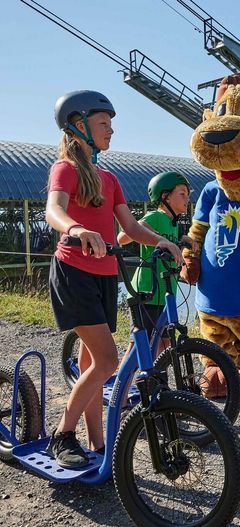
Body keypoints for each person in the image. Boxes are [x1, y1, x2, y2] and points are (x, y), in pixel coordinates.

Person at [45, 90, 184, 468]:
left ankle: (95, 442)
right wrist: (76, 229)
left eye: (111, 123)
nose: (111, 129)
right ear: (79, 126)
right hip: (74, 272)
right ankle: (62, 435)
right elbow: (53, 211)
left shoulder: (109, 177)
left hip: (107, 276)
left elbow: (130, 226)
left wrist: (162, 242)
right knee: (106, 363)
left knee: (93, 362)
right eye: (104, 123)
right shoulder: (66, 169)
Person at [117, 171, 194, 355]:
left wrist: (182, 239)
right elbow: (123, 237)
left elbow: (169, 243)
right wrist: (156, 237)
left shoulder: (173, 224)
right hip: (147, 291)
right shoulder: (155, 216)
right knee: (139, 345)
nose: (187, 199)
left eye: (188, 195)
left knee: (165, 342)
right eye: (182, 194)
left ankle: (156, 380)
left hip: (166, 293)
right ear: (165, 196)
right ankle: (123, 382)